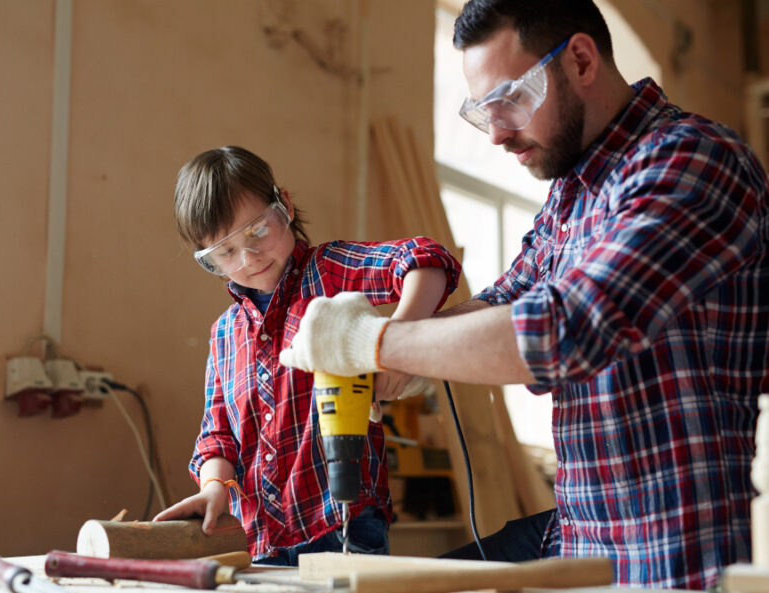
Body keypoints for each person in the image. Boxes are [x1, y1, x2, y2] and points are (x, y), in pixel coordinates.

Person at [280, 0, 769, 588]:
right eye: (480, 110)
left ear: (582, 60)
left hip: (675, 556)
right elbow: (506, 298)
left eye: (509, 98)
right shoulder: (570, 194)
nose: (495, 133)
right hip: (584, 542)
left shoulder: (692, 159)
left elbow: (563, 331)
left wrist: (372, 341)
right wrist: (398, 358)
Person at [153, 146, 461, 565]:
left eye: (258, 231)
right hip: (260, 539)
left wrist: (397, 347)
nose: (249, 258)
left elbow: (427, 260)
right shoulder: (225, 333)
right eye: (225, 253)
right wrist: (214, 489)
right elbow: (217, 433)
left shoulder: (328, 271)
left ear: (286, 206)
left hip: (342, 524)